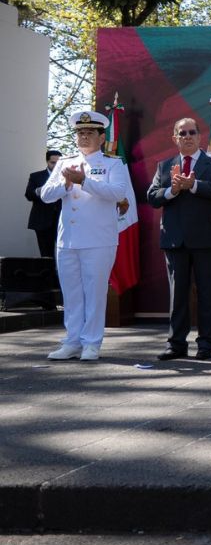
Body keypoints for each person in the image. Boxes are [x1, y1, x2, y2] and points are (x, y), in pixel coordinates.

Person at [40, 112, 130, 361]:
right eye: (80, 133)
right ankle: (71, 341)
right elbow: (46, 195)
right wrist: (67, 185)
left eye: (90, 132)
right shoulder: (64, 162)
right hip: (68, 239)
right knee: (71, 293)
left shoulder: (113, 163)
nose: (83, 136)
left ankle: (91, 343)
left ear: (102, 138)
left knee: (95, 291)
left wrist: (85, 181)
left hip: (98, 239)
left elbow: (118, 192)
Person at [147, 117, 211, 361]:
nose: (187, 136)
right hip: (175, 240)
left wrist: (195, 185)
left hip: (209, 239)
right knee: (178, 296)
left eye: (191, 132)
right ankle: (176, 345)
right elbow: (153, 197)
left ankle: (206, 344)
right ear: (175, 138)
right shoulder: (165, 166)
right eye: (182, 133)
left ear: (199, 137)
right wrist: (172, 190)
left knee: (209, 295)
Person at [26, 150, 63, 258]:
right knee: (46, 254)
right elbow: (28, 195)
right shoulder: (36, 176)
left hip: (63, 221)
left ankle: (61, 275)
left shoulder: (67, 176)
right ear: (47, 161)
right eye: (53, 163)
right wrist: (39, 191)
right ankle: (48, 275)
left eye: (59, 163)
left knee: (65, 253)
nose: (56, 166)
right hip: (42, 220)